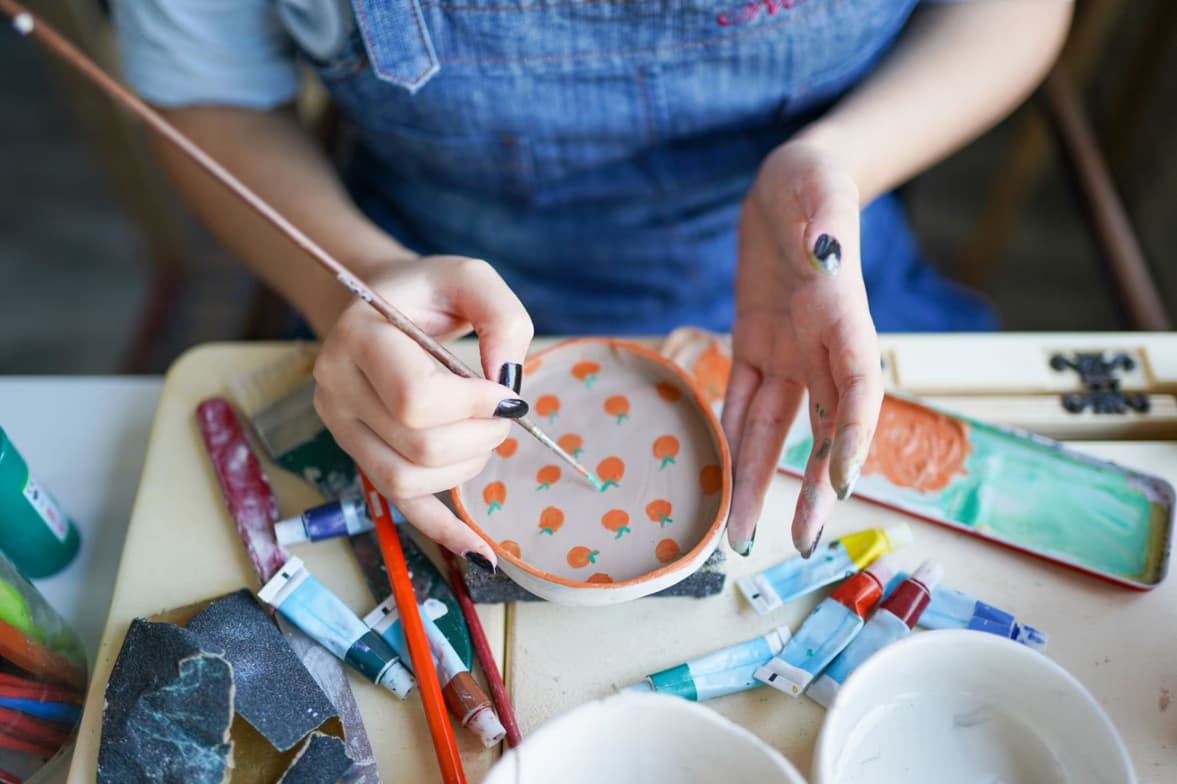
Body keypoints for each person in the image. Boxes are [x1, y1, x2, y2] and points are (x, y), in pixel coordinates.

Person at [112, 0, 1071, 566]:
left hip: (811, 285)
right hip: (415, 316)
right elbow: (207, 87)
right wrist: (353, 280)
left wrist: (834, 168)